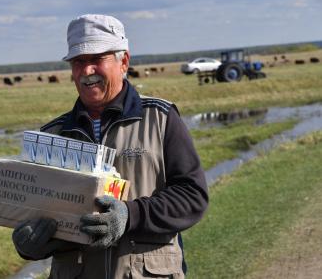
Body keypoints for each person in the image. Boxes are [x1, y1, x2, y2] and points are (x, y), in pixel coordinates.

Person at [12, 14, 208, 278]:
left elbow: (192, 196)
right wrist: (30, 245)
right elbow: (41, 216)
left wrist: (130, 215)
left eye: (96, 59)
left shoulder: (160, 118)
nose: (87, 71)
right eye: (79, 62)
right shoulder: (52, 136)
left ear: (123, 61)